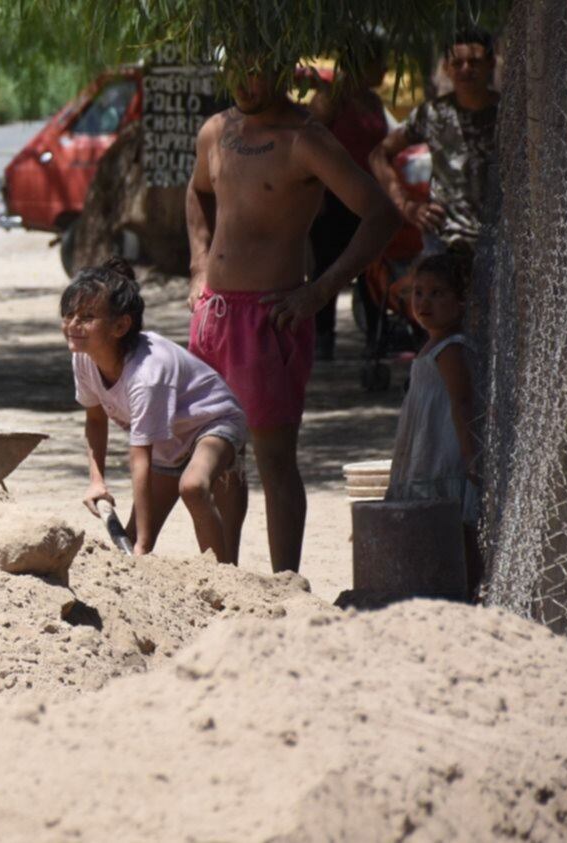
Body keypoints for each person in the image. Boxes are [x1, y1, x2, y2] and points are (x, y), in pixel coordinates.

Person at [186, 53, 401, 573]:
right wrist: (197, 266)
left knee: (273, 462)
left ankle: (286, 584)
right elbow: (197, 192)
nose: (243, 78)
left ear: (282, 71)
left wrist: (321, 290)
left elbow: (381, 215)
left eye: (253, 67)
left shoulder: (304, 139)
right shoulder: (216, 130)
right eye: (235, 69)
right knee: (221, 457)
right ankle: (225, 580)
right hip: (213, 317)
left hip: (270, 319)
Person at [66, 258, 249, 564]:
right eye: (69, 314)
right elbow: (95, 421)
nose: (73, 325)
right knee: (134, 538)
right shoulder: (85, 357)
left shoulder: (147, 375)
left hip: (212, 422)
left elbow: (140, 459)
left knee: (192, 487)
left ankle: (223, 582)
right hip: (167, 440)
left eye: (86, 317)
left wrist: (145, 544)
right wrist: (97, 481)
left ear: (120, 326)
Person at [385, 253, 483, 599]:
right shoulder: (431, 343)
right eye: (419, 292)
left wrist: (470, 453)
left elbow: (461, 401)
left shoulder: (452, 347)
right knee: (437, 524)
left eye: (438, 293)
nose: (425, 302)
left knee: (458, 525)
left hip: (447, 454)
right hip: (428, 450)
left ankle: (469, 589)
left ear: (461, 300)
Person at [370, 27, 499, 257]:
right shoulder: (432, 114)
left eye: (474, 61)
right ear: (446, 68)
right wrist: (406, 206)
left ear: (491, 64)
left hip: (500, 245)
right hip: (443, 243)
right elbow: (378, 155)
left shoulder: (510, 116)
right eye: (457, 63)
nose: (466, 69)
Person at [306, 36, 392, 360]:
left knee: (372, 269)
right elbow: (309, 144)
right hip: (334, 200)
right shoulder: (331, 98)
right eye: (378, 62)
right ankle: (323, 338)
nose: (384, 69)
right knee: (328, 266)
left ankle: (376, 337)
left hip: (369, 202)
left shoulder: (372, 101)